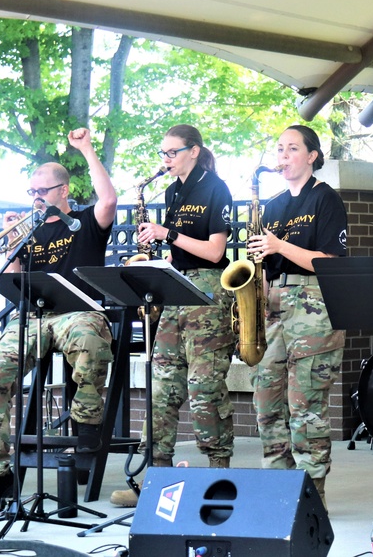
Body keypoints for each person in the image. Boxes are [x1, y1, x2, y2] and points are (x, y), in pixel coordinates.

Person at [0, 128, 118, 512]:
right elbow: (15, 284)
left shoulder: (85, 223)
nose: (36, 198)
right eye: (31, 192)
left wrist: (85, 149)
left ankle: (86, 425)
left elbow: (109, 198)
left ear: (63, 191)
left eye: (43, 191)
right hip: (37, 316)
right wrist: (11, 246)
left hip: (79, 313)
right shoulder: (30, 232)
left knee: (89, 339)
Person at [110, 125, 236, 507]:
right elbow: (179, 247)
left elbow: (214, 252)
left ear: (194, 151)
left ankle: (220, 477)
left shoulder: (217, 188)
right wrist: (162, 253)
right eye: (162, 153)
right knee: (161, 387)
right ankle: (155, 479)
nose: (165, 161)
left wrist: (168, 234)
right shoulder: (172, 190)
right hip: (176, 288)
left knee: (204, 388)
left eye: (172, 153)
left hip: (209, 290)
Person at [245, 124, 347, 510]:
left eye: (292, 149)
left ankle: (312, 496)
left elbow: (329, 263)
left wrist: (278, 244)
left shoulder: (326, 199)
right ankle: (278, 490)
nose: (283, 156)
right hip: (275, 305)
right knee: (267, 401)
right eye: (279, 149)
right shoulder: (271, 205)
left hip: (315, 303)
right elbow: (265, 264)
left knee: (306, 408)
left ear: (312, 156)